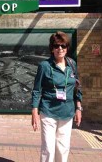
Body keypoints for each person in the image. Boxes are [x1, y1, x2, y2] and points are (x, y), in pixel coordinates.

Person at [31, 31, 82, 162]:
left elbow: (77, 88)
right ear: (52, 49)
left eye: (63, 46)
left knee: (63, 148)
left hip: (67, 112)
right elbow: (37, 90)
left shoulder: (72, 64)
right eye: (56, 46)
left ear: (67, 48)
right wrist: (34, 112)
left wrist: (78, 108)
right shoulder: (45, 66)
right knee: (48, 148)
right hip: (48, 112)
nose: (60, 49)